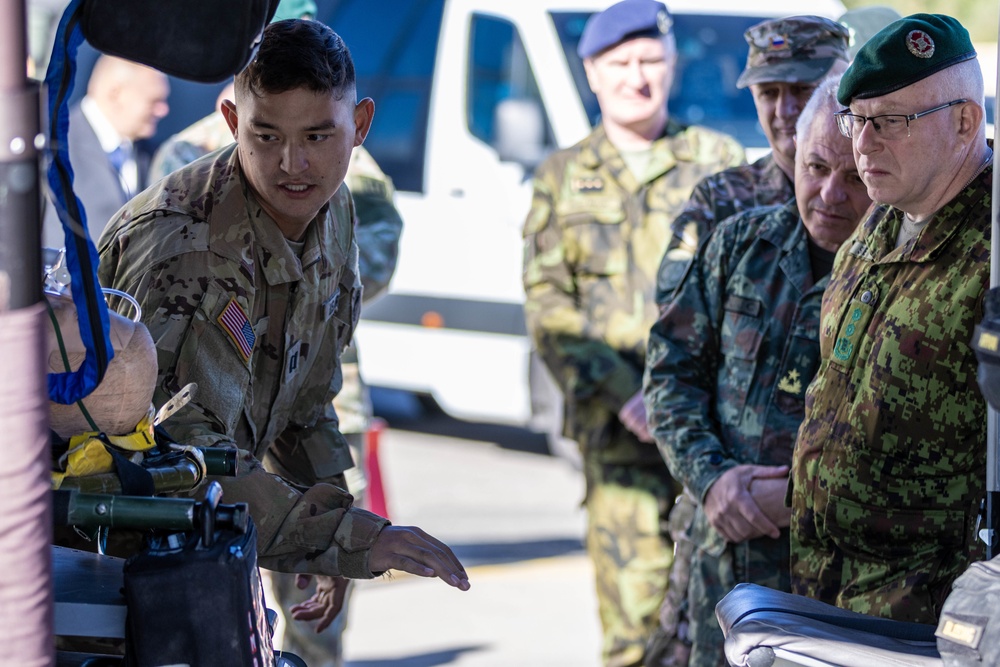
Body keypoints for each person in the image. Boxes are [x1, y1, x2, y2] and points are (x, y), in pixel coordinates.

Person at [97, 18, 469, 599]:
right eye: (266, 136)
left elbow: (307, 400)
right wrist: (343, 537)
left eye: (318, 136)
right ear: (231, 122)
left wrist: (330, 525)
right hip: (121, 552)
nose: (293, 164)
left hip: (212, 541)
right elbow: (170, 451)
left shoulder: (335, 210)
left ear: (361, 125)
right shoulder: (182, 239)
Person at [521, 1, 744, 664]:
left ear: (672, 66)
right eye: (620, 64)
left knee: (722, 621)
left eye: (651, 61)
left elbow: (748, 293)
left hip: (715, 432)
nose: (637, 77)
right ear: (592, 72)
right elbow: (548, 307)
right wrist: (630, 393)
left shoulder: (718, 161)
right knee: (635, 634)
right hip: (622, 442)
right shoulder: (560, 177)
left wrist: (686, 394)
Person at [644, 75, 872, 667]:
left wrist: (800, 499)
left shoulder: (898, 279)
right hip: (723, 578)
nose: (829, 194)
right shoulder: (739, 246)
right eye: (815, 167)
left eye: (853, 178)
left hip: (841, 591)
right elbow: (672, 375)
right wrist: (712, 478)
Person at [789, 13, 992, 624]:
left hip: (930, 616)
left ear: (964, 120)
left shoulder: (995, 251)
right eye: (859, 120)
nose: (864, 144)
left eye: (893, 122)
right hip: (827, 593)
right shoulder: (876, 223)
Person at [655, 16, 850, 302]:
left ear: (843, 86)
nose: (784, 110)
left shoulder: (877, 193)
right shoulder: (721, 200)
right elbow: (676, 313)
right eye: (769, 93)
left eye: (802, 90)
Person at [43, 54, 170, 248]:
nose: (164, 110)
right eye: (154, 101)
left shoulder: (151, 153)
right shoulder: (51, 147)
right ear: (115, 94)